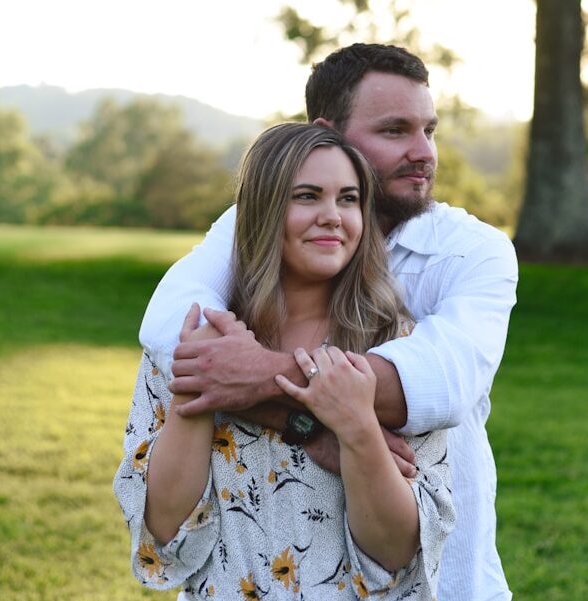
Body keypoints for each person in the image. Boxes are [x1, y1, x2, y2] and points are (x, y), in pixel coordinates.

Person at [140, 44, 518, 600]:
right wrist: (311, 425)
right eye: (395, 131)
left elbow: (439, 384)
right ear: (330, 133)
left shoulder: (471, 252)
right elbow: (171, 325)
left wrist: (265, 378)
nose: (423, 153)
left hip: (445, 579)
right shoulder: (255, 224)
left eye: (429, 131)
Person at [114, 123, 454, 600]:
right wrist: (199, 384)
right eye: (308, 196)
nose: (333, 216)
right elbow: (168, 536)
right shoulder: (198, 341)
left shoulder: (396, 351)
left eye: (349, 199)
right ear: (265, 209)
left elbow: (395, 556)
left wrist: (356, 427)